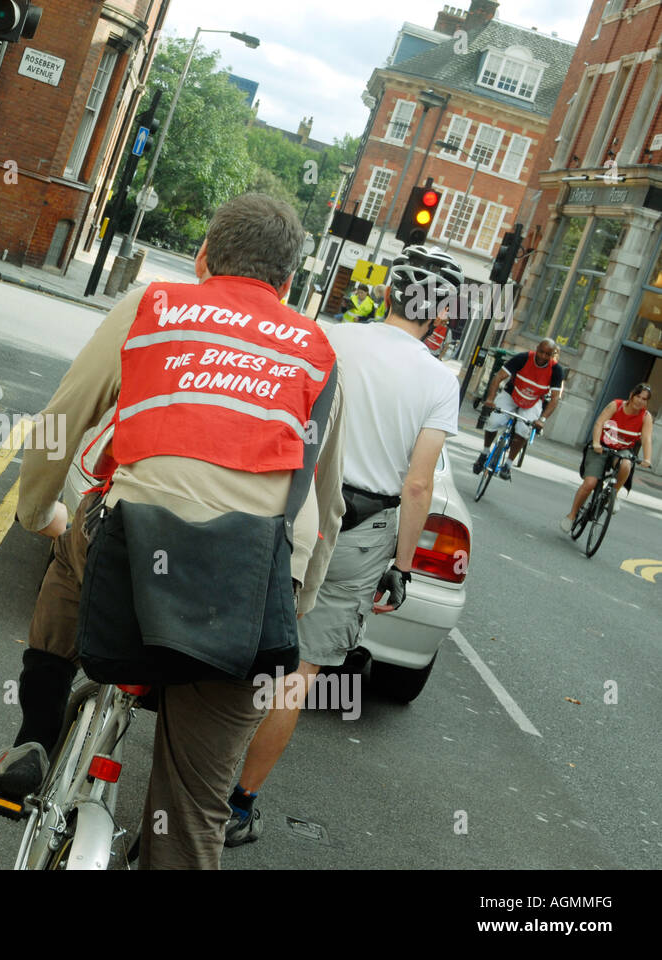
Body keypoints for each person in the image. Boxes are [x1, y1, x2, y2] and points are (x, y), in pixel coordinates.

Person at [0, 193, 347, 869]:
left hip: (134, 546)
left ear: (203, 257)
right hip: (254, 579)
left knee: (72, 544)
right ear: (290, 285)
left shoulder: (151, 308)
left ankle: (34, 735)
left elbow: (61, 421)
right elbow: (328, 506)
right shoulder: (318, 353)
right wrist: (298, 606)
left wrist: (37, 518)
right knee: (192, 814)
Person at [223, 244, 462, 847]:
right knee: (297, 675)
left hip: (296, 506)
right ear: (438, 318)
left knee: (241, 640)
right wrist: (402, 567)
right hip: (363, 532)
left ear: (385, 293)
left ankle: (195, 772)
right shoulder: (439, 380)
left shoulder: (329, 337)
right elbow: (417, 483)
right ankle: (238, 806)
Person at [560, 383, 654, 530]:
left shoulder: (646, 417)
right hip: (602, 446)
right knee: (590, 483)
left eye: (644, 399)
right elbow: (599, 424)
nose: (640, 401)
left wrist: (647, 459)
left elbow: (647, 438)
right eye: (638, 396)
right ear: (631, 395)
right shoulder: (615, 405)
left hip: (622, 450)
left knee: (626, 464)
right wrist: (597, 443)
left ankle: (614, 494)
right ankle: (571, 516)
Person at [475, 338, 564, 480]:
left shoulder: (556, 370)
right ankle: (484, 453)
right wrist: (490, 400)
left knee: (523, 430)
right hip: (512, 393)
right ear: (536, 348)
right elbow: (498, 377)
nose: (542, 356)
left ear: (552, 355)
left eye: (547, 354)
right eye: (540, 352)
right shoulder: (522, 358)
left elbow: (554, 399)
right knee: (493, 421)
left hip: (533, 400)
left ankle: (508, 465)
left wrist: (542, 419)